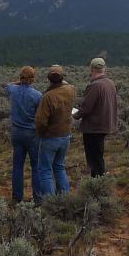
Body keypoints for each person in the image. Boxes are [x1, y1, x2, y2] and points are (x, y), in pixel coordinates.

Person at [33, 64, 75, 199]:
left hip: (50, 137)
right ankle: (65, 198)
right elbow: (67, 84)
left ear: (49, 79)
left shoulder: (48, 96)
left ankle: (50, 202)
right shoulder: (71, 90)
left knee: (45, 171)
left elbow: (40, 121)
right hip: (65, 135)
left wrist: (40, 133)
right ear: (62, 78)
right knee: (59, 167)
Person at [4, 66, 43, 203]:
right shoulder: (37, 95)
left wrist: (20, 81)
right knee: (36, 166)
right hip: (32, 133)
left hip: (16, 132)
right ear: (33, 79)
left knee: (18, 165)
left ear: (20, 77)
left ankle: (17, 197)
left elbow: (8, 85)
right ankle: (38, 198)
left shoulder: (13, 91)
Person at [73, 57, 117, 178]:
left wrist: (75, 115)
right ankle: (99, 180)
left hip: (93, 127)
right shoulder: (110, 83)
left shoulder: (95, 85)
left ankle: (97, 183)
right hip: (105, 124)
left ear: (91, 69)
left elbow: (86, 108)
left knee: (94, 158)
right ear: (104, 68)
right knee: (98, 155)